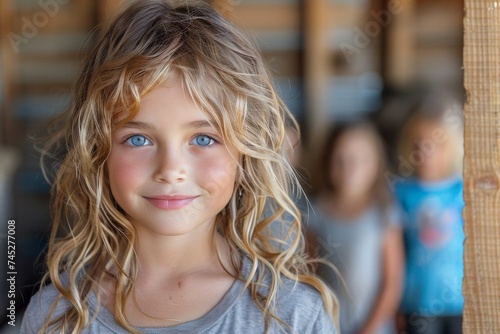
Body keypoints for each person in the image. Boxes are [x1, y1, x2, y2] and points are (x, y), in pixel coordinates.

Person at [20, 1, 338, 333]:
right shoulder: (55, 317)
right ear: (98, 150)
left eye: (203, 139)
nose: (171, 170)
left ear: (246, 151)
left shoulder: (293, 316)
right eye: (139, 139)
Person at [308, 122, 404, 334]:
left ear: (376, 163)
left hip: (375, 328)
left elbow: (392, 283)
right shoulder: (315, 214)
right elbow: (308, 275)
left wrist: (368, 330)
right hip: (326, 326)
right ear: (327, 162)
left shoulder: (384, 213)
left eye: (359, 159)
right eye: (339, 159)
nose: (348, 167)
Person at [394, 93, 464, 334]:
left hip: (461, 300)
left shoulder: (462, 190)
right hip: (418, 302)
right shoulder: (401, 192)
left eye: (436, 145)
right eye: (418, 143)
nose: (426, 153)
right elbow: (395, 251)